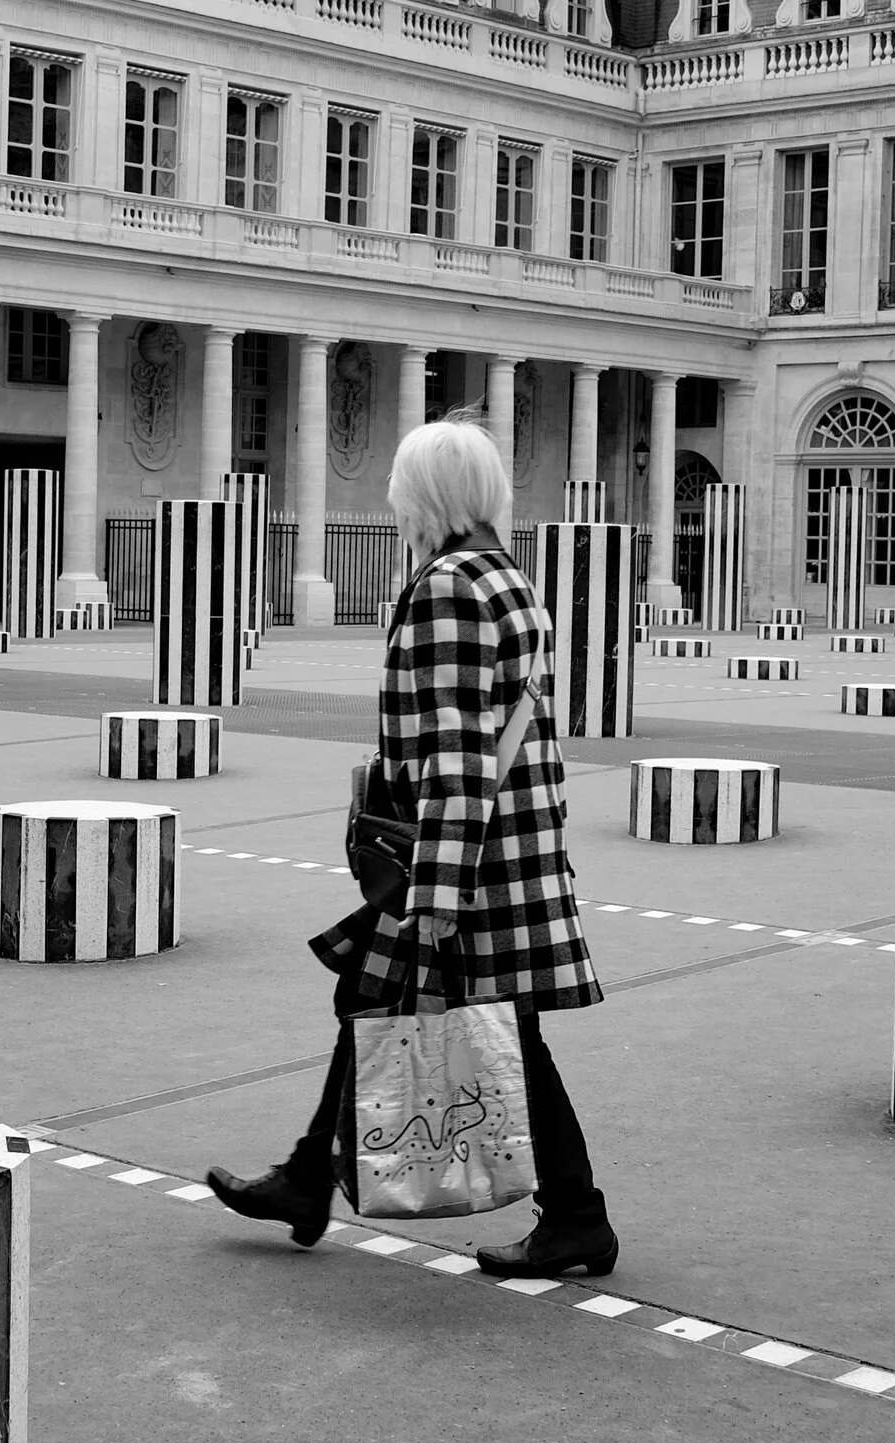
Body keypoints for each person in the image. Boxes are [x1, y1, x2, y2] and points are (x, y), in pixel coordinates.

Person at [205, 415, 619, 1278]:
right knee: (374, 995)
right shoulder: (507, 575)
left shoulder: (446, 587)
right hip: (504, 844)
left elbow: (459, 753)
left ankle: (577, 1217)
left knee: (505, 1033)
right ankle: (307, 1176)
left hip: (459, 858)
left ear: (421, 495)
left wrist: (436, 897)